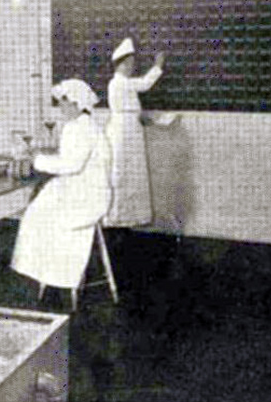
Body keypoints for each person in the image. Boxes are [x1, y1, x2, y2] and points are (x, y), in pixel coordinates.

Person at [11, 79, 112, 294]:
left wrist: (36, 160)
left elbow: (71, 165)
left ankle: (52, 275)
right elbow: (70, 159)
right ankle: (47, 272)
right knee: (38, 207)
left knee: (37, 215)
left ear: (76, 103)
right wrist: (42, 157)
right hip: (85, 188)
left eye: (63, 102)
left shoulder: (79, 129)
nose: (60, 108)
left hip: (86, 196)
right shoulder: (83, 125)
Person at [104, 37, 165, 227]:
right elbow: (145, 84)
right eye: (130, 63)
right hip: (123, 131)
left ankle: (132, 215)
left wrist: (139, 117)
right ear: (123, 63)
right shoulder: (119, 82)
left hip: (129, 128)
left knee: (133, 171)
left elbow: (130, 106)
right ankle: (118, 216)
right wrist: (158, 66)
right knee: (123, 172)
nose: (132, 67)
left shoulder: (122, 83)